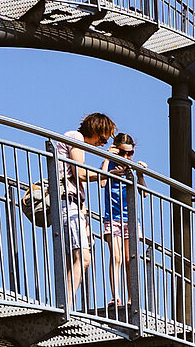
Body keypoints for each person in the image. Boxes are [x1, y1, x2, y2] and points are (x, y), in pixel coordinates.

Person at [55, 110, 114, 303]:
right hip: (68, 202)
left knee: (76, 257)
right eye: (103, 138)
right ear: (95, 130)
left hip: (73, 203)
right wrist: (109, 175)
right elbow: (80, 174)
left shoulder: (75, 139)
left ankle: (65, 302)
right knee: (83, 257)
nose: (102, 144)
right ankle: (67, 304)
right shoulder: (76, 137)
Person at [96, 129, 139, 303]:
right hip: (112, 218)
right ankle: (116, 297)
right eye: (122, 152)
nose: (126, 156)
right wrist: (107, 159)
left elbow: (142, 193)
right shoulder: (109, 166)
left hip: (130, 219)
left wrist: (139, 172)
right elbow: (102, 182)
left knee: (130, 260)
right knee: (116, 257)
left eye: (130, 153)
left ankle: (131, 298)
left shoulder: (131, 168)